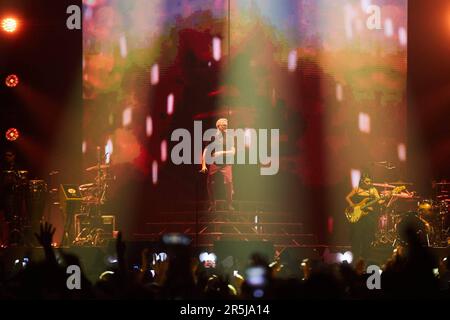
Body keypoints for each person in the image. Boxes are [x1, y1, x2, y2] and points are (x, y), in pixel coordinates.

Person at [345, 172, 384, 261]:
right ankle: (356, 257)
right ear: (362, 181)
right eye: (367, 181)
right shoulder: (357, 189)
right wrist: (353, 205)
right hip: (358, 216)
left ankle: (365, 257)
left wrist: (388, 198)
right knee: (357, 236)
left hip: (369, 216)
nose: (369, 183)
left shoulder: (373, 190)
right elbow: (347, 197)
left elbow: (379, 201)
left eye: (370, 181)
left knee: (368, 236)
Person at [200, 118, 235, 212]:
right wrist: (203, 165)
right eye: (224, 124)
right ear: (218, 126)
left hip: (226, 163)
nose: (226, 126)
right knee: (209, 183)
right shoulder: (212, 137)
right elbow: (206, 150)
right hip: (215, 163)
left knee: (229, 182)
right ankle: (212, 204)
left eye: (227, 124)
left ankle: (229, 204)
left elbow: (233, 151)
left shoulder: (229, 136)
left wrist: (221, 153)